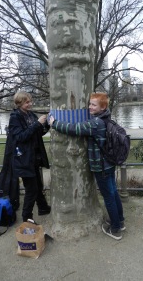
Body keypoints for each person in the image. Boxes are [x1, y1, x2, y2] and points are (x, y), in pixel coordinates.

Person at [49, 92, 125, 240]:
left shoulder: (96, 123)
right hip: (109, 164)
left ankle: (115, 229)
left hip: (101, 166)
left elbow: (75, 129)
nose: (89, 106)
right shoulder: (106, 119)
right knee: (113, 193)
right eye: (89, 103)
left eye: (93, 104)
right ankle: (120, 221)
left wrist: (54, 123)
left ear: (103, 107)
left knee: (109, 197)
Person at [7, 91, 51, 222]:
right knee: (31, 190)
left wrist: (47, 124)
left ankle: (43, 207)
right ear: (19, 103)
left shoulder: (31, 114)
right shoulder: (15, 117)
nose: (30, 104)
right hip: (23, 159)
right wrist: (37, 124)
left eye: (30, 101)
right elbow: (20, 137)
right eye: (27, 102)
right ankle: (27, 218)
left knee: (37, 184)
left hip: (34, 157)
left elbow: (38, 133)